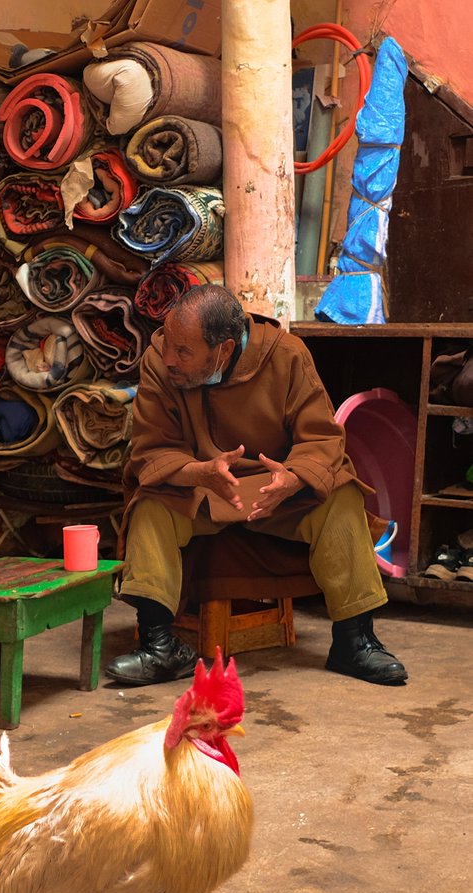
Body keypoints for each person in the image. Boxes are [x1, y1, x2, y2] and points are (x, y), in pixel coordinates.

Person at [105, 283, 408, 687]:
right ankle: (160, 645)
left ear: (225, 350)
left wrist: (293, 477)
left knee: (341, 493)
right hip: (200, 489)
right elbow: (151, 449)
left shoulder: (287, 355)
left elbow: (322, 439)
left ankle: (355, 641)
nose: (169, 358)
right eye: (168, 346)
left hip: (277, 493)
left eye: (183, 351)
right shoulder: (160, 363)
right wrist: (199, 472)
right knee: (150, 504)